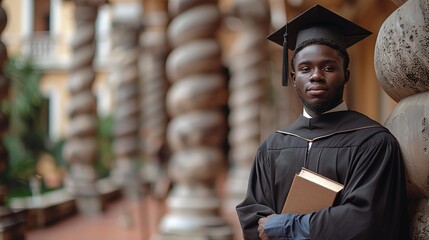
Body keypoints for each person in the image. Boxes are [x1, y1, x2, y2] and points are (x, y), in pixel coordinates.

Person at [236, 4, 410, 240]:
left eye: (329, 67)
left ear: (346, 75)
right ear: (294, 77)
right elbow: (253, 217)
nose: (316, 75)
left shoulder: (374, 142)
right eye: (305, 68)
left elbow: (368, 219)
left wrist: (288, 226)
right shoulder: (274, 146)